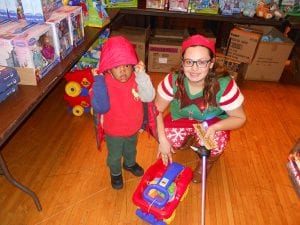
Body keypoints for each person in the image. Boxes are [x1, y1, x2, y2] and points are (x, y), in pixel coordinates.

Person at [155, 34, 246, 183]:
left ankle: (207, 162)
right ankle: (189, 138)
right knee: (166, 138)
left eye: (202, 62)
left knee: (215, 142)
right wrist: (163, 140)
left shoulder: (224, 85)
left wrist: (216, 127)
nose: (195, 68)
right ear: (182, 62)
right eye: (189, 62)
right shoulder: (173, 80)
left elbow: (240, 118)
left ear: (211, 63)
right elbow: (156, 109)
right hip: (182, 120)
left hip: (211, 123)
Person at [90, 36, 155, 189]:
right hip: (113, 131)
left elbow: (149, 96)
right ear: (108, 68)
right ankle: (115, 173)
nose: (123, 70)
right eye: (117, 66)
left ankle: (129, 164)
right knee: (114, 156)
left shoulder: (136, 78)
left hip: (133, 127)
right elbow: (101, 107)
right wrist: (98, 81)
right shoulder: (104, 81)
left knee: (131, 149)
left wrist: (142, 75)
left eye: (127, 65)